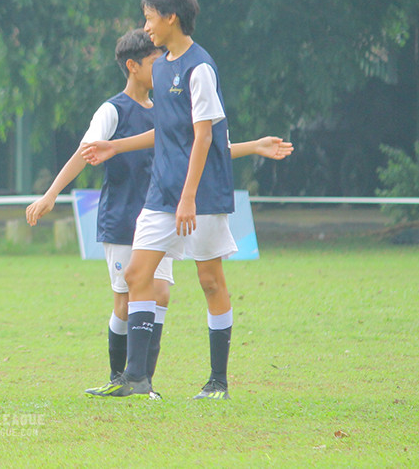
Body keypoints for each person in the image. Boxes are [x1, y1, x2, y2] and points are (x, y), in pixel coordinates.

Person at [27, 29, 292, 398]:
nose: (161, 66)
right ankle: (121, 376)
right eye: (153, 61)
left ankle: (145, 381)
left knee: (162, 292)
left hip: (169, 208)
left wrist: (254, 146)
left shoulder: (178, 89)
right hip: (124, 217)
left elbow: (207, 144)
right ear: (134, 67)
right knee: (128, 295)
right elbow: (85, 152)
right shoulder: (113, 109)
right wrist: (51, 194)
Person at [81, 0, 252, 400]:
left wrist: (190, 197)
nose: (146, 26)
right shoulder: (163, 68)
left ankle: (218, 382)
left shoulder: (200, 69)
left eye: (150, 17)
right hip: (161, 194)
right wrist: (115, 146)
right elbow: (165, 131)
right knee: (138, 275)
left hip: (201, 194)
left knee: (210, 280)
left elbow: (204, 136)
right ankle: (136, 379)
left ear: (171, 17)